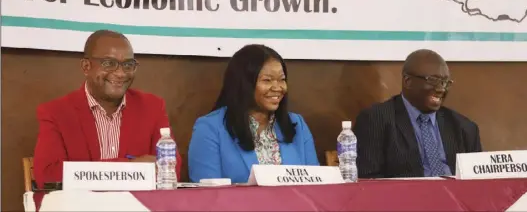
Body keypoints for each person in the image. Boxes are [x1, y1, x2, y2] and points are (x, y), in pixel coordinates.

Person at [33, 30, 182, 188]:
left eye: (128, 65)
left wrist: (90, 171)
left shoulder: (152, 107)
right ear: (86, 66)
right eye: (109, 63)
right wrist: (131, 166)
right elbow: (47, 176)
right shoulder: (56, 113)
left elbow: (172, 171)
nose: (120, 73)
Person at [188, 44, 319, 183]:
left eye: (282, 79)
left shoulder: (297, 124)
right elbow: (207, 196)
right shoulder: (210, 128)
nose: (278, 88)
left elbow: (315, 187)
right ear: (244, 84)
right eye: (267, 80)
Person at [355, 49, 482, 178]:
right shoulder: (376, 120)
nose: (441, 89)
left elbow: (478, 180)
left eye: (445, 82)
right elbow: (369, 180)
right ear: (408, 81)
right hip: (405, 196)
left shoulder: (464, 128)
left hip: (455, 196)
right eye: (433, 80)